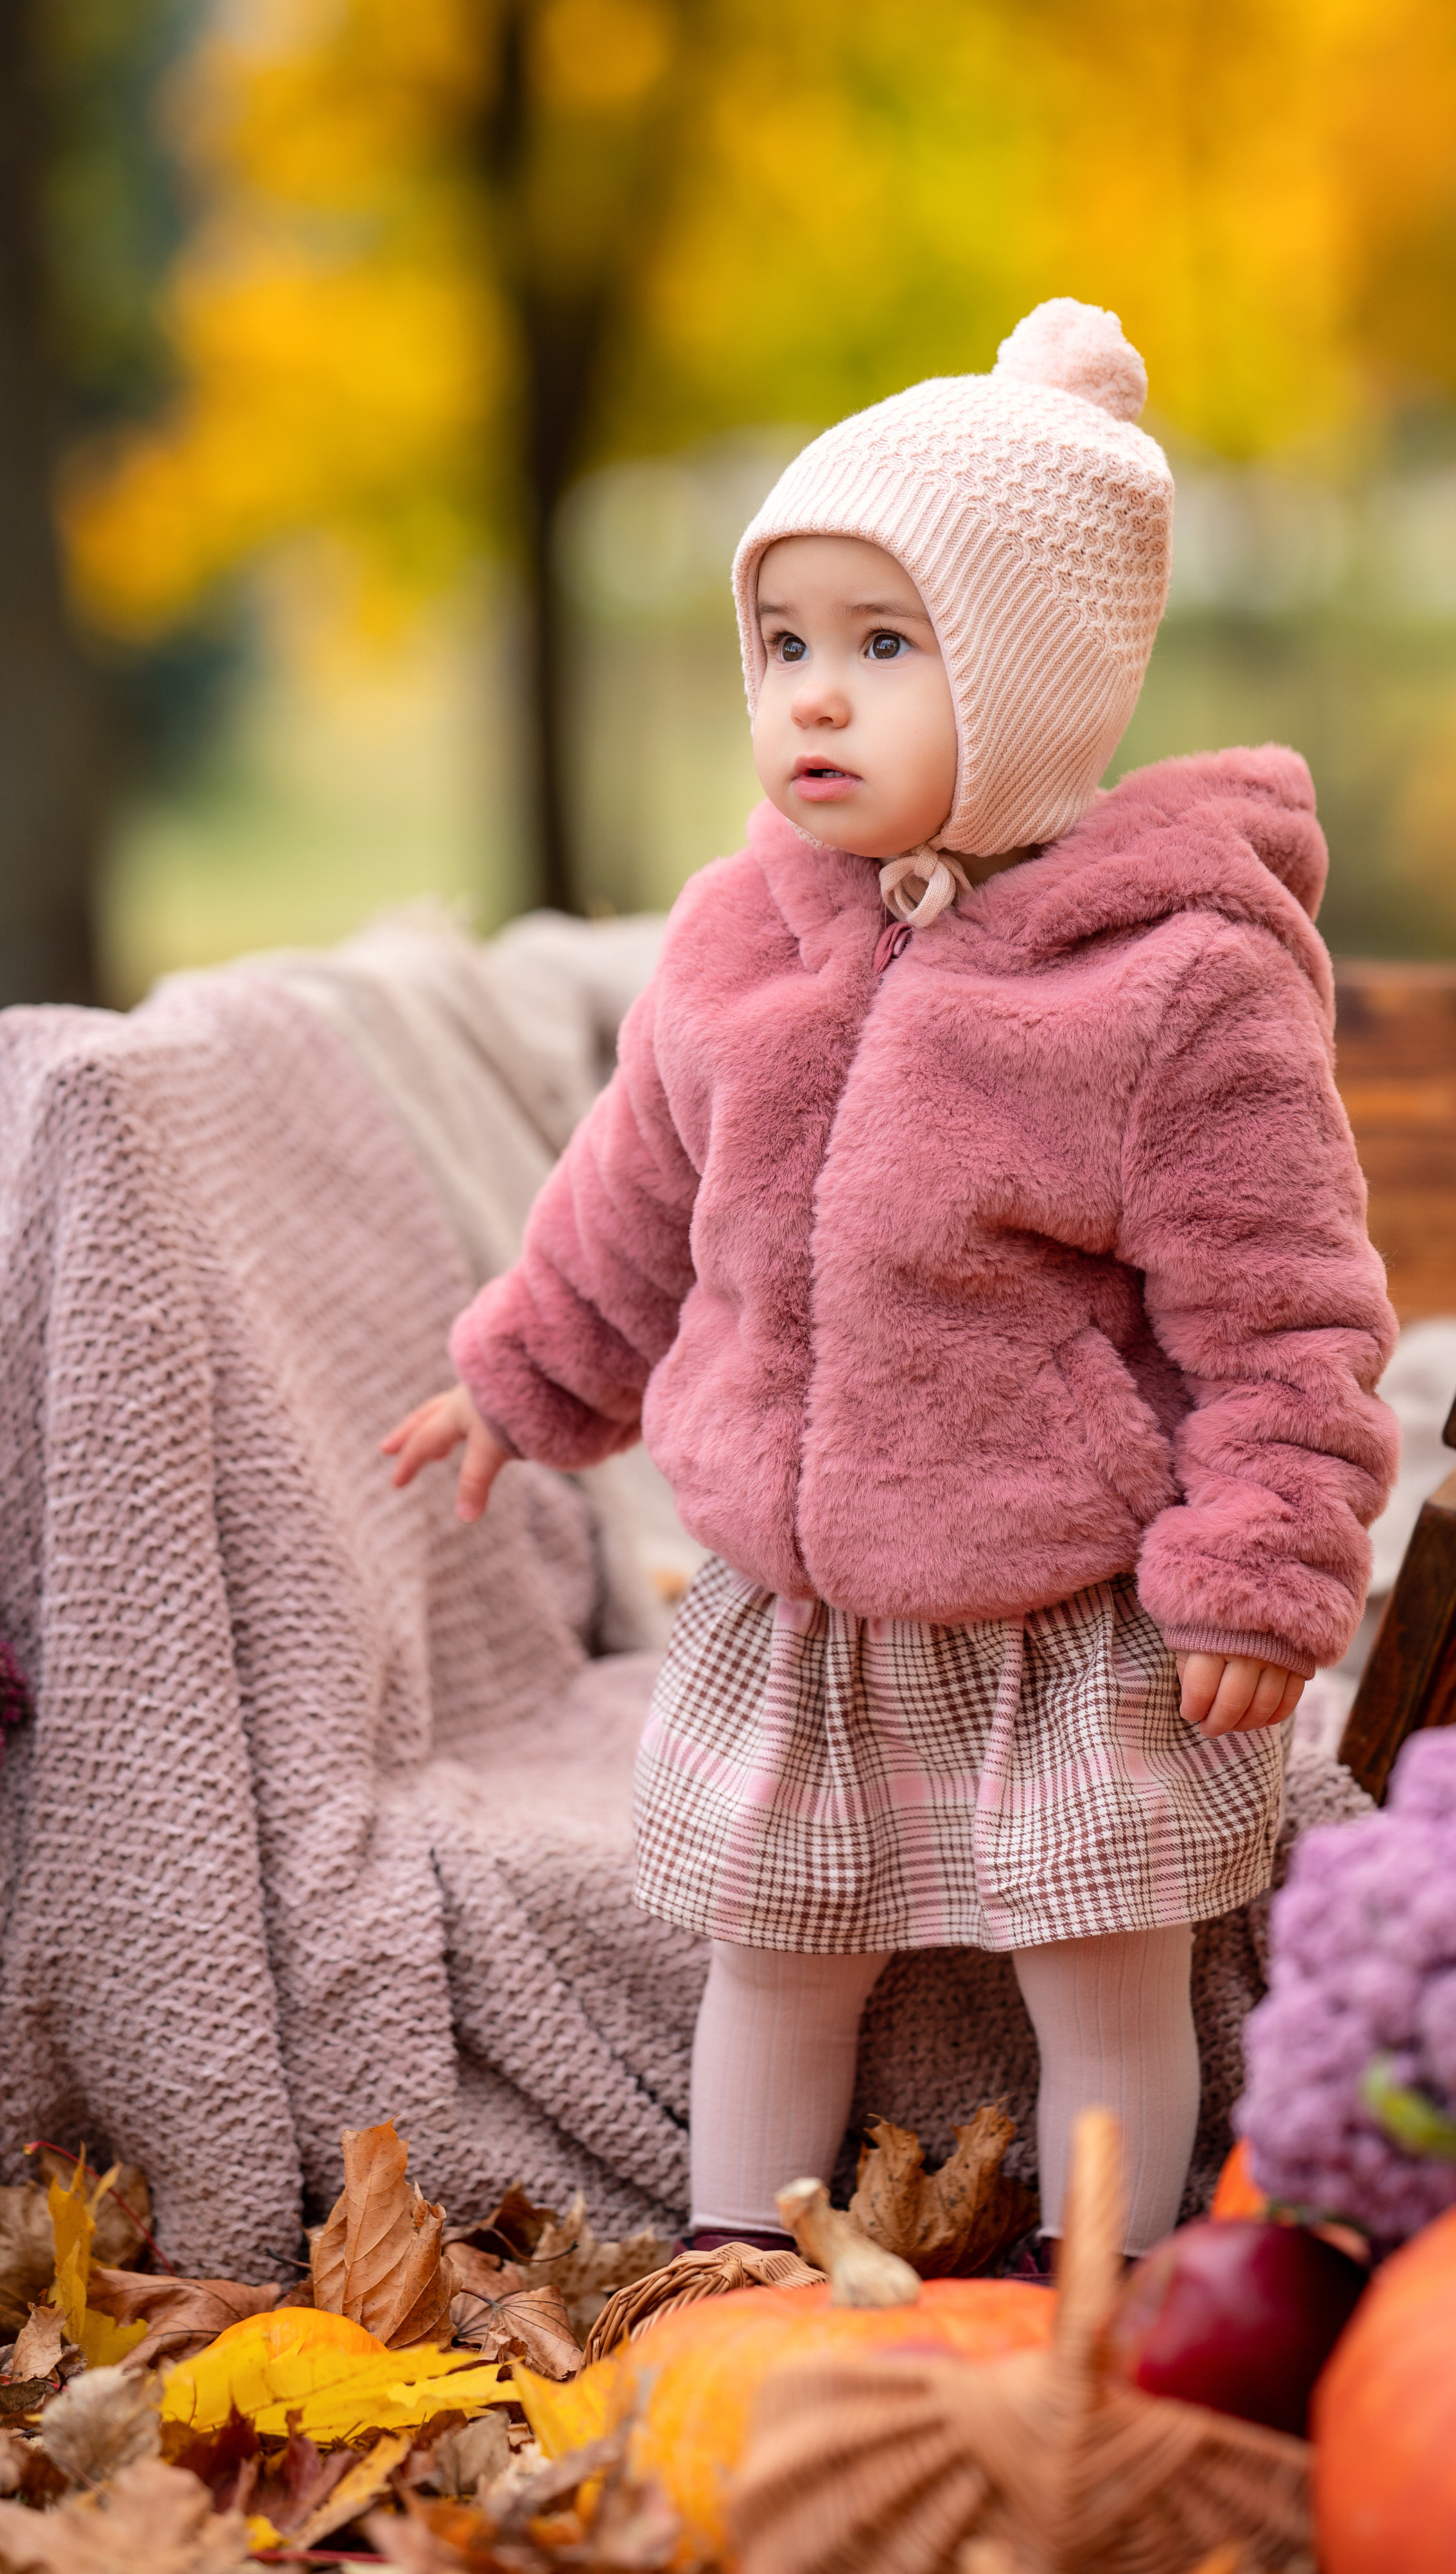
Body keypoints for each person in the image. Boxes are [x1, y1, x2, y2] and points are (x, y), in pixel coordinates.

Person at [384, 299, 1398, 2266]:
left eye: (882, 647)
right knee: (776, 1965)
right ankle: (734, 2283)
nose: (812, 704)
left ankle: (1102, 2306)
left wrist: (1265, 1560)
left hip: (1068, 1599)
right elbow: (637, 1196)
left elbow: (1284, 1310)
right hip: (807, 1597)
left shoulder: (1173, 982)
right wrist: (524, 1371)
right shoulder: (740, 934)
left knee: (1103, 1972)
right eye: (782, 648)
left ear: (1027, 684)